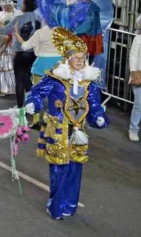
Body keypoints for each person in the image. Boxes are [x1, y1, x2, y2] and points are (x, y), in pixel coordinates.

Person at [25, 28, 108, 220]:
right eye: (76, 57)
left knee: (75, 168)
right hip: (58, 130)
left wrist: (98, 117)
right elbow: (37, 92)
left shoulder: (89, 81)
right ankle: (55, 206)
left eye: (83, 57)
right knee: (59, 169)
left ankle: (69, 205)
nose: (80, 61)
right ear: (67, 59)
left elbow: (94, 104)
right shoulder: (56, 77)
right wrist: (33, 104)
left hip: (79, 131)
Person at [127, 14, 141, 141]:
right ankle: (133, 129)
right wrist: (134, 72)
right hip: (139, 75)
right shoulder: (138, 38)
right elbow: (133, 56)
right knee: (139, 104)